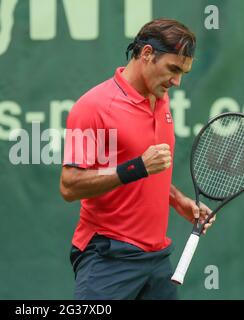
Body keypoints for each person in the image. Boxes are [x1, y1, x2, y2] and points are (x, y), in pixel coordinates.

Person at [59, 18, 216, 300]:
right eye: (173, 69)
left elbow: (147, 170)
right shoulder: (94, 107)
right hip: (109, 257)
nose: (177, 81)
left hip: (156, 259)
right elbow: (69, 186)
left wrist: (177, 199)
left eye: (184, 73)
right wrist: (136, 167)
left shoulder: (162, 99)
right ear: (146, 54)